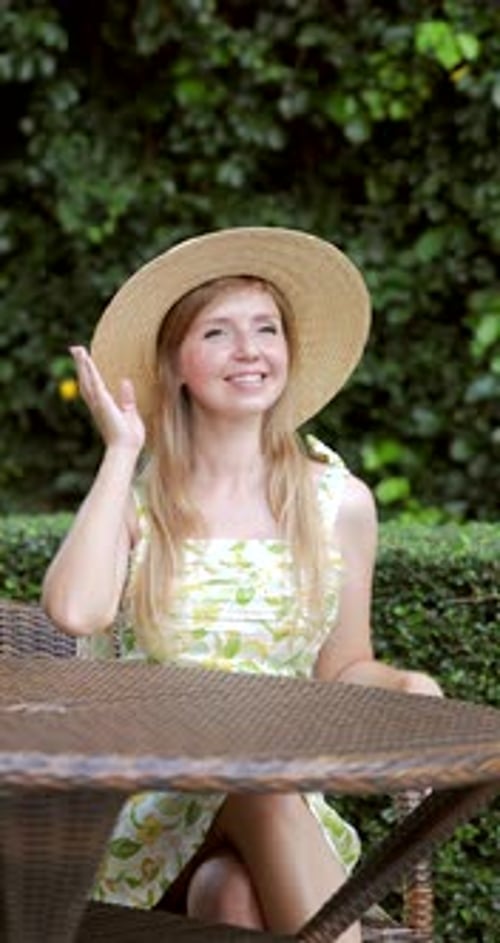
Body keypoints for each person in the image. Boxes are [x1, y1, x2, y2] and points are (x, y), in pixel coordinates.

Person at [42, 227, 442, 941]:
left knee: (232, 896)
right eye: (217, 332)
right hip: (151, 811)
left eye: (266, 328)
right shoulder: (137, 506)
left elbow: (342, 667)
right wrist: (122, 451)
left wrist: (403, 684)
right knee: (262, 791)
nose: (249, 349)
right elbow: (74, 610)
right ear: (175, 364)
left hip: (278, 808)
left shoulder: (338, 504)